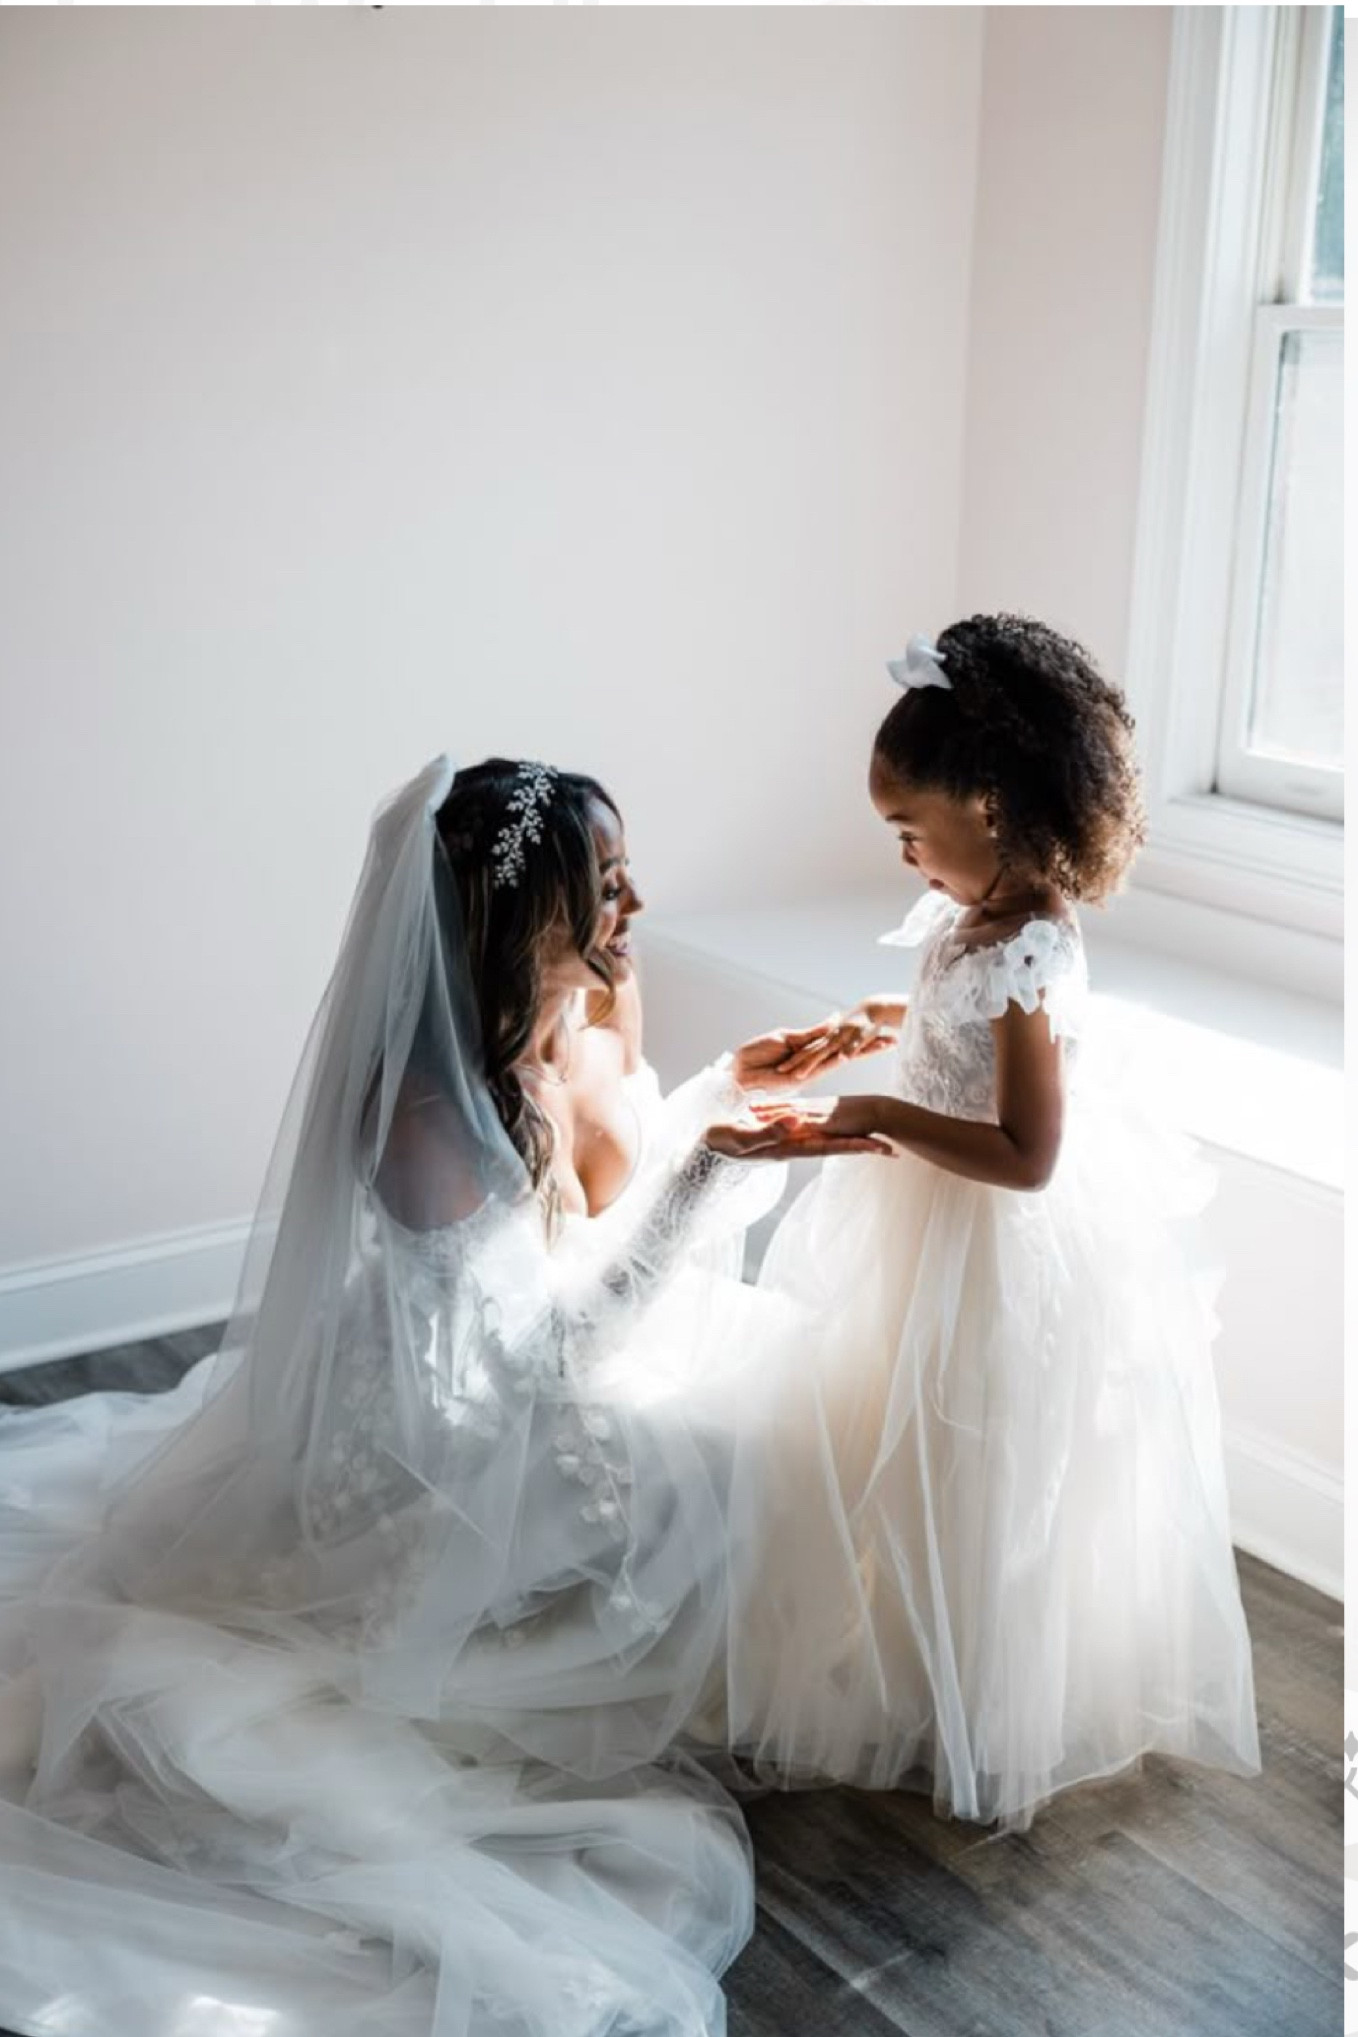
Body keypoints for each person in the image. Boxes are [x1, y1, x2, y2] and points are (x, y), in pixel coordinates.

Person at [0, 754, 880, 2037]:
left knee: (764, 1390)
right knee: (741, 1454)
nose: (633, 910)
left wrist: (722, 1095)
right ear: (529, 915)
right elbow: (533, 1368)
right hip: (451, 1474)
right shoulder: (424, 1119)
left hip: (494, 1391)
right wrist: (707, 1174)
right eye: (610, 887)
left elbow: (574, 1243)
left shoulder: (544, 1026)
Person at [703, 615, 1263, 1830]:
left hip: (984, 1249)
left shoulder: (1031, 950)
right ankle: (909, 1662)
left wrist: (872, 1110)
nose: (905, 857)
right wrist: (881, 1031)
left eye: (910, 831)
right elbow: (947, 1021)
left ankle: (968, 1696)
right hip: (920, 1227)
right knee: (889, 1453)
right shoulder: (980, 912)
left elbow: (1025, 1154)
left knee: (966, 1464)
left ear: (992, 805)